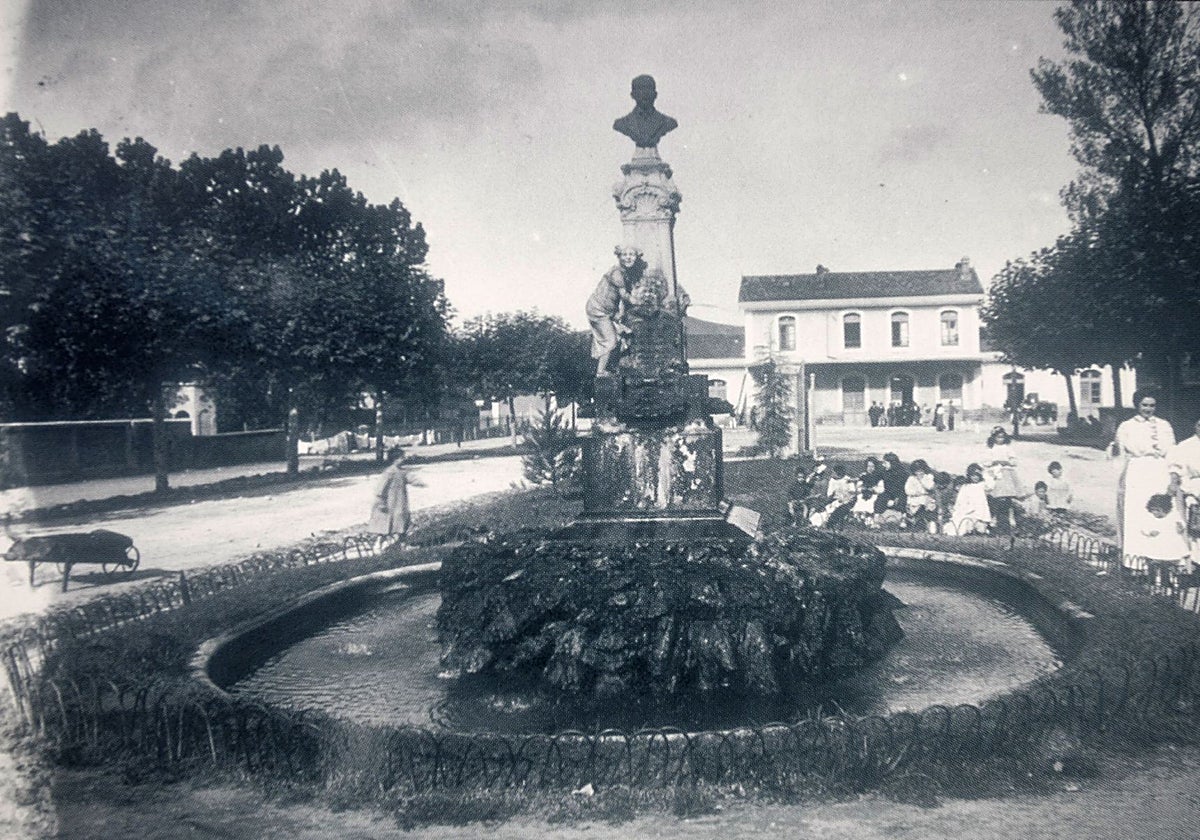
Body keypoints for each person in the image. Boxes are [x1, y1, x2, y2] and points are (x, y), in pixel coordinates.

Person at [1112, 389, 1176, 572]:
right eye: (1144, 405)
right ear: (1137, 405)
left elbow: (1172, 451)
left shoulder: (1164, 425)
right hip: (1137, 472)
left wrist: (1172, 474)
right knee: (1137, 513)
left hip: (1159, 472)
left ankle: (1161, 559)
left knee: (1159, 512)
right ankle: (1135, 562)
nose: (1148, 409)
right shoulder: (1126, 426)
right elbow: (1119, 454)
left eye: (1152, 405)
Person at [587, 245, 638, 377]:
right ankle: (601, 372)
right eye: (625, 254)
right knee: (610, 341)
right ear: (619, 257)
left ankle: (612, 367)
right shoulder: (617, 273)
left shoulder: (623, 273)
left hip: (607, 310)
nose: (628, 257)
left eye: (632, 255)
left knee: (623, 334)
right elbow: (624, 296)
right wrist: (638, 301)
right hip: (599, 310)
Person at [368, 448, 423, 544]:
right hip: (388, 504)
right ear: (395, 459)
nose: (404, 459)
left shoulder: (402, 471)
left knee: (401, 523)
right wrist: (381, 503)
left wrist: (419, 483)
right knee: (384, 526)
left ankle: (402, 544)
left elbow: (409, 478)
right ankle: (378, 545)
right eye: (402, 457)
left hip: (399, 503)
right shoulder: (389, 473)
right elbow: (380, 489)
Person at [612, 75, 679, 149]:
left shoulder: (667, 122)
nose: (645, 93)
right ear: (633, 95)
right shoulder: (622, 123)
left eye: (648, 88)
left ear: (655, 94)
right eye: (640, 89)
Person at [1136, 493, 1189, 586]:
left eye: (1158, 510)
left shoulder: (1173, 516)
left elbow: (1181, 524)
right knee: (1154, 563)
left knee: (1167, 565)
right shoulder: (1150, 518)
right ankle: (1153, 583)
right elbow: (1143, 528)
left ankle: (1167, 583)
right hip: (1156, 544)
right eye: (1153, 510)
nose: (1155, 512)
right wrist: (1149, 532)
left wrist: (1180, 526)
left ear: (1166, 509)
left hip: (1169, 544)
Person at [982, 426, 1024, 535]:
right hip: (995, 472)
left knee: (1006, 497)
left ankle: (1006, 522)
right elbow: (986, 461)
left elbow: (1014, 461)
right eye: (998, 437)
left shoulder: (1007, 448)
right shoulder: (991, 448)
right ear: (993, 437)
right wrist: (993, 462)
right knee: (995, 497)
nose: (1000, 439)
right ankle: (994, 522)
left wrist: (1007, 462)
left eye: (1002, 437)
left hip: (1006, 473)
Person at [950, 463, 991, 535]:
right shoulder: (965, 487)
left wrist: (985, 472)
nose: (975, 477)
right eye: (973, 475)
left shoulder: (982, 485)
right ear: (969, 476)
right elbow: (960, 500)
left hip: (981, 512)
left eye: (978, 475)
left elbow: (990, 486)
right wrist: (962, 509)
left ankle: (981, 531)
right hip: (969, 511)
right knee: (965, 525)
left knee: (981, 529)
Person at [905, 459, 937, 532]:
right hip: (914, 498)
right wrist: (916, 493)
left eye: (921, 471)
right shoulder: (911, 478)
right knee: (917, 507)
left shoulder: (928, 477)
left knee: (927, 507)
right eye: (917, 471)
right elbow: (907, 490)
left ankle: (930, 528)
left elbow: (930, 487)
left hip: (926, 499)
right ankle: (916, 525)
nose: (919, 473)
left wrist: (922, 480)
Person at [874, 452, 908, 520]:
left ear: (892, 463)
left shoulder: (902, 473)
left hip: (900, 493)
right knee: (880, 499)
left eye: (885, 463)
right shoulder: (884, 471)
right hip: (888, 493)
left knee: (902, 500)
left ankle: (904, 519)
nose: (883, 465)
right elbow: (875, 478)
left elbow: (902, 488)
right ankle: (876, 518)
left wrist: (895, 498)